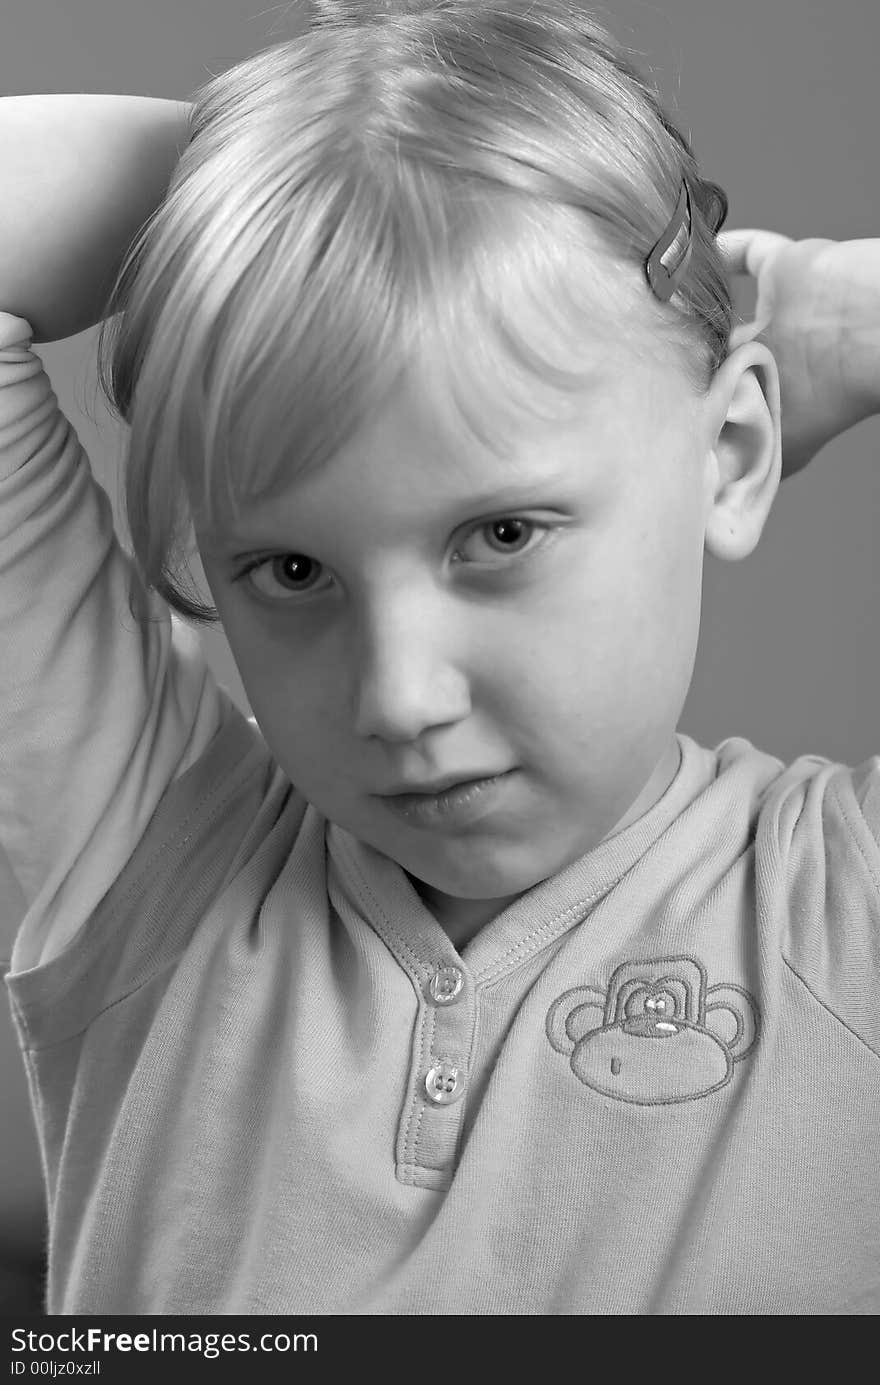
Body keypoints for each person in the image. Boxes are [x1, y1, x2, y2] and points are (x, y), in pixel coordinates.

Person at [1, 0, 878, 1316]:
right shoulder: (142, 865)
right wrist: (319, 178)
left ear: (734, 453)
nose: (399, 698)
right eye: (290, 572)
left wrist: (841, 324)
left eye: (500, 535)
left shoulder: (849, 904)